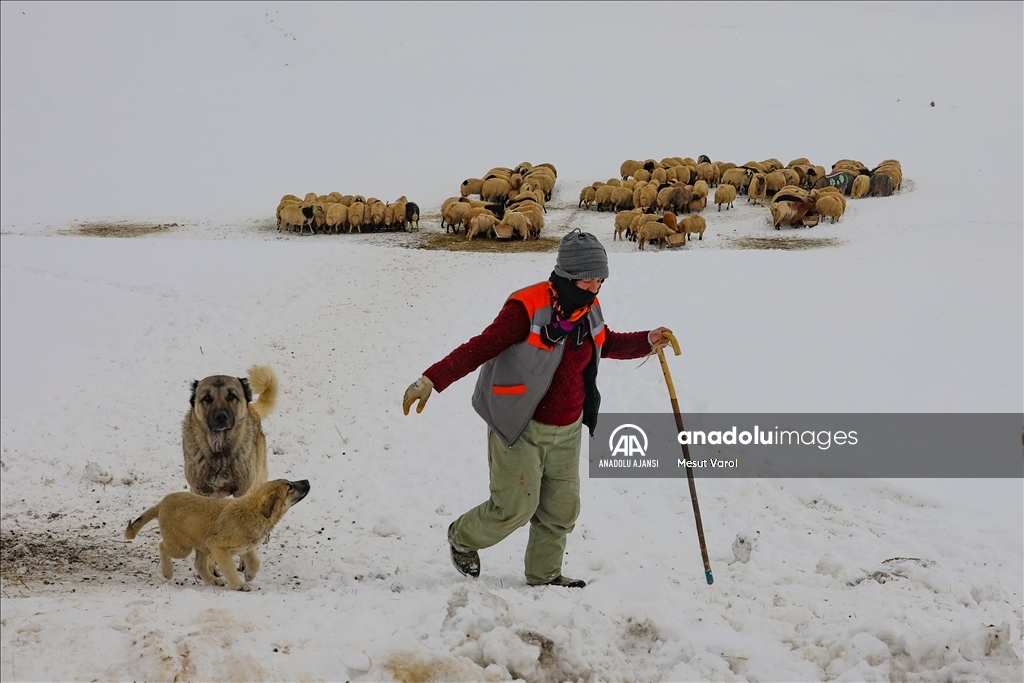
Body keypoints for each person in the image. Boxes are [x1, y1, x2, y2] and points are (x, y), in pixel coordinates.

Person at [403, 229, 672, 588]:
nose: (596, 289)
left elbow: (603, 343)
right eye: (589, 280)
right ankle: (462, 537)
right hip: (520, 425)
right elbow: (481, 346)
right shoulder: (526, 308)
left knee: (560, 511)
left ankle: (545, 577)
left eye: (600, 280)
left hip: (569, 427)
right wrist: (432, 379)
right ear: (568, 275)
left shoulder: (587, 307)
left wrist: (646, 341)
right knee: (513, 509)